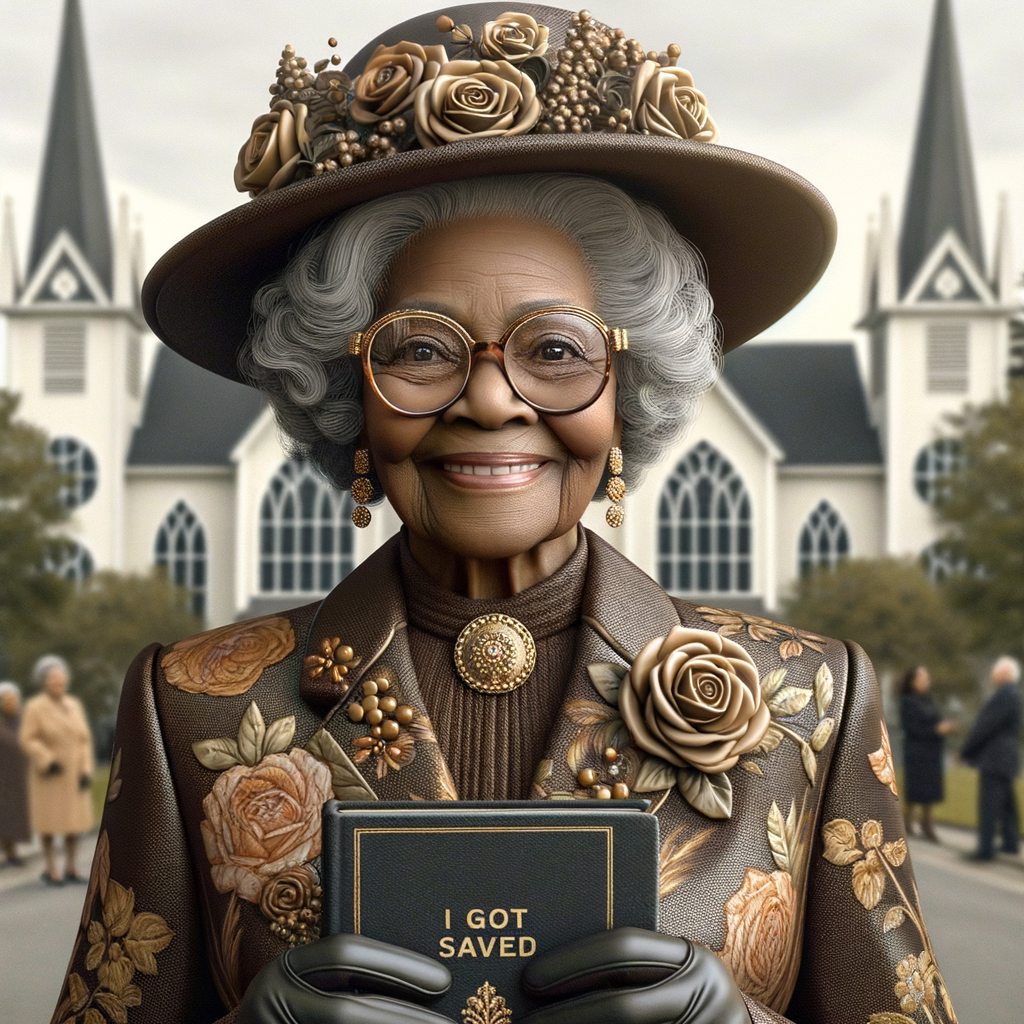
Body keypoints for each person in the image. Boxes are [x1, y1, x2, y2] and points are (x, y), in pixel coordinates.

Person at [52, 7, 957, 1024]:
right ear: (348, 394)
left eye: (556, 350)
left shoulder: (810, 708)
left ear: (626, 388)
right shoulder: (192, 707)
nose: (490, 400)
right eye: (421, 347)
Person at [19, 655, 94, 884]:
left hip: (73, 773)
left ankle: (71, 866)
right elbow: (27, 738)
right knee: (49, 825)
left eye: (60, 679)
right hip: (49, 774)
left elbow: (84, 740)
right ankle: (52, 868)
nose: (57, 683)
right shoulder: (35, 707)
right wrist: (47, 759)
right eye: (52, 679)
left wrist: (86, 770)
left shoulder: (74, 705)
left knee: (74, 824)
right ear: (43, 681)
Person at [961, 655, 1022, 861]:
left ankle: (985, 849)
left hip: (995, 757)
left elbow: (986, 725)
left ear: (1004, 674)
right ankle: (1011, 843)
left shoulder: (1004, 695)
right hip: (1007, 757)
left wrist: (966, 750)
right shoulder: (1012, 695)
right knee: (1006, 804)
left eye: (996, 671)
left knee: (989, 804)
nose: (992, 675)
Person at [899, 666, 956, 842]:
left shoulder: (928, 699)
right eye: (923, 678)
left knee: (930, 789)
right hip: (917, 751)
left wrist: (944, 727)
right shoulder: (908, 701)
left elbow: (935, 719)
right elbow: (912, 728)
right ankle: (908, 821)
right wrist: (936, 730)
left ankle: (926, 823)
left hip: (932, 751)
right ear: (913, 680)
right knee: (916, 788)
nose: (927, 682)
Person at [0, 681, 31, 867]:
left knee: (15, 814)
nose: (13, 703)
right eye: (8, 700)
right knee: (5, 814)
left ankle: (12, 850)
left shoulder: (22, 720)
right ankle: (10, 852)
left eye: (14, 699)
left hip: (19, 775)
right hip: (3, 778)